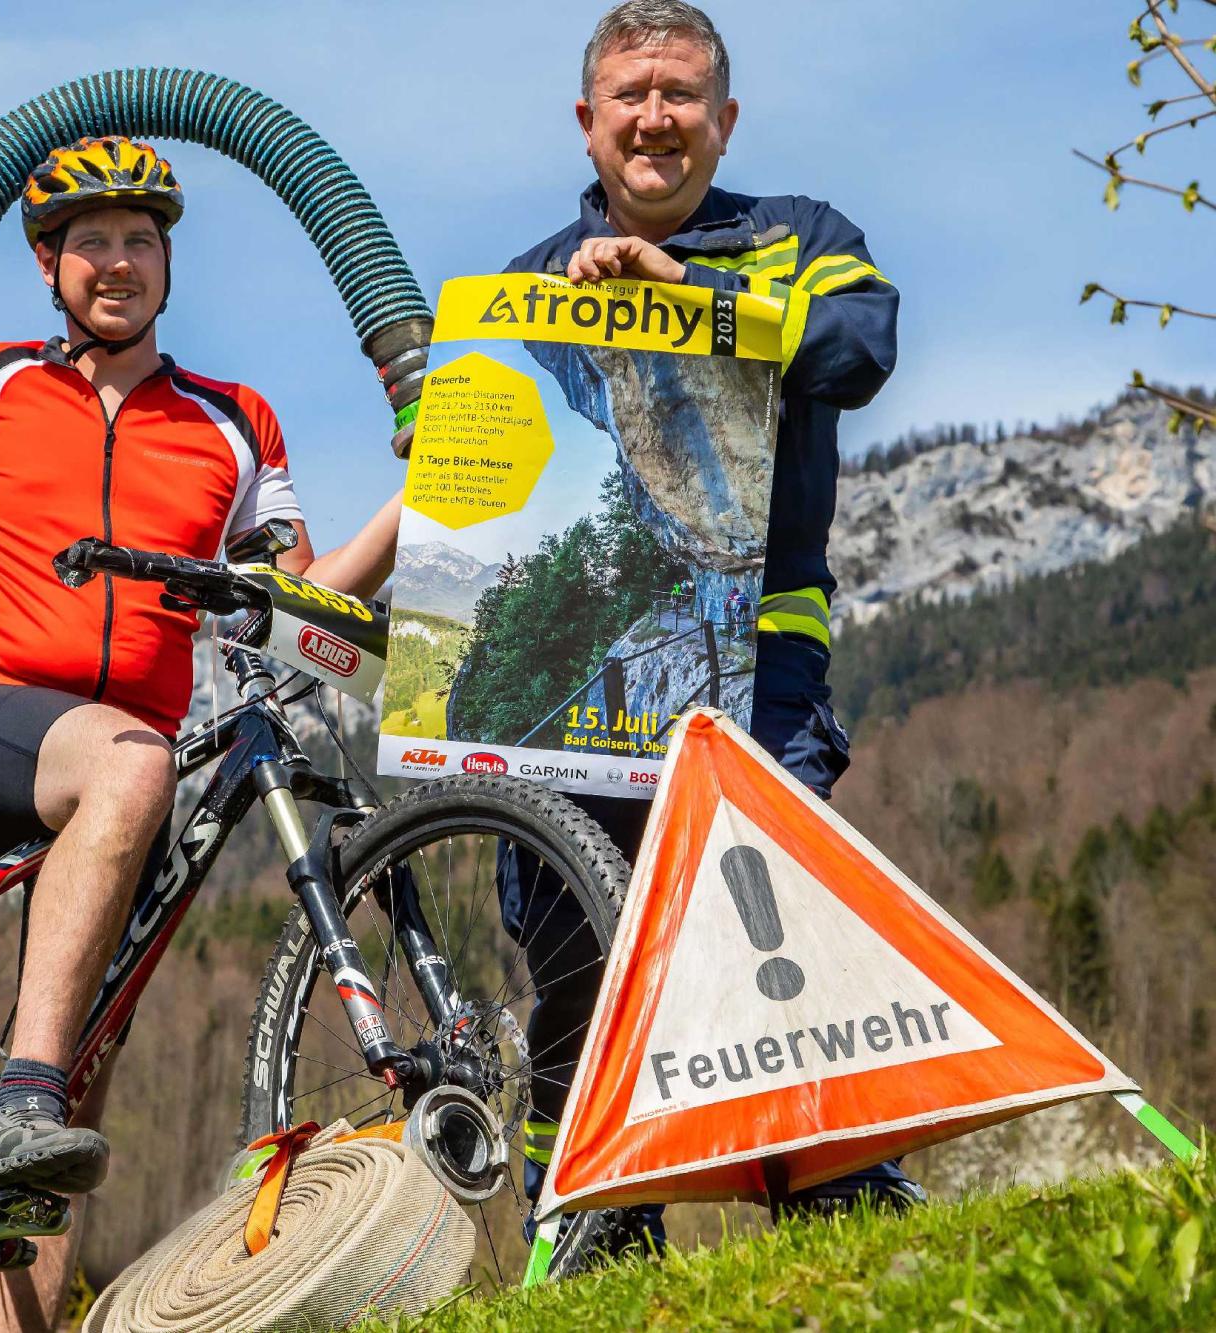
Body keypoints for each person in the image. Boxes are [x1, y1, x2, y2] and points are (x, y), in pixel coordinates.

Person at [0, 135, 402, 1333]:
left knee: (78, 1098)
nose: (116, 262)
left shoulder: (234, 421)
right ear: (47, 265)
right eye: (91, 244)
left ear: (168, 265)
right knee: (115, 800)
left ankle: (25, 1163)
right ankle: (20, 1085)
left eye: (138, 241)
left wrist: (420, 500)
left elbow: (302, 606)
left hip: (134, 770)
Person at [497, 0, 921, 1250]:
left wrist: (693, 298)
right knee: (571, 938)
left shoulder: (803, 240)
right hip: (581, 665)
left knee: (770, 918)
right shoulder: (521, 285)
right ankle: (587, 1216)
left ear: (723, 122)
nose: (655, 116)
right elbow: (497, 470)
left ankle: (840, 1188)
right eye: (629, 93)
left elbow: (861, 346)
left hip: (760, 656)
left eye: (681, 93)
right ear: (586, 122)